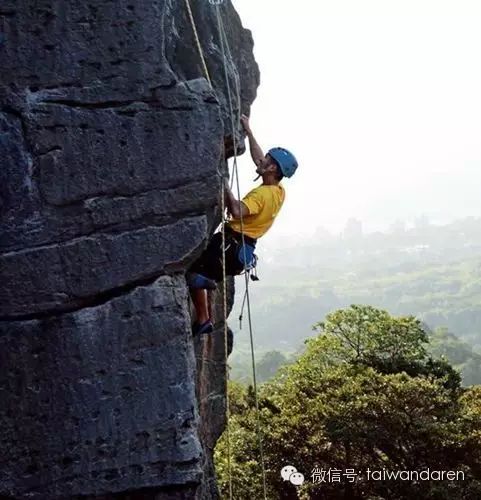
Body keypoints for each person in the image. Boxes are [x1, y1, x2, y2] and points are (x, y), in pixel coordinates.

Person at [187, 114, 298, 334]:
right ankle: (207, 298)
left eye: (267, 160)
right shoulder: (278, 190)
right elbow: (258, 159)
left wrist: (224, 183)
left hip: (229, 247)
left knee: (195, 274)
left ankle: (203, 320)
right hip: (240, 249)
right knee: (207, 270)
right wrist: (249, 130)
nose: (261, 160)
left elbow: (237, 211)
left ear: (273, 169)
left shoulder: (262, 195)